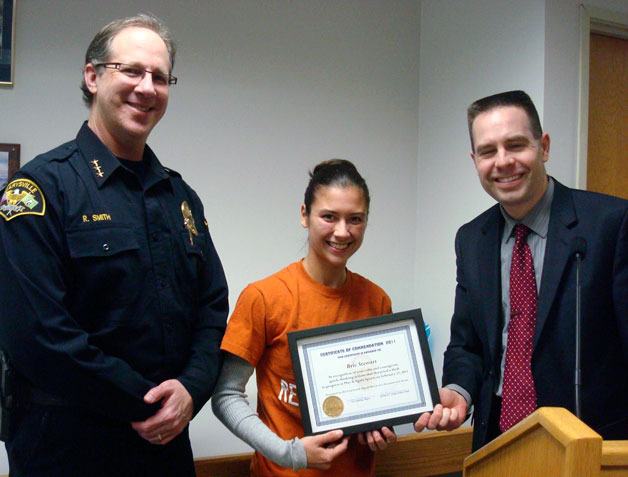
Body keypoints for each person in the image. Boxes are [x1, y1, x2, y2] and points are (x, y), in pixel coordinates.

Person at [0, 14, 228, 476]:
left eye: (160, 78)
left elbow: (212, 308)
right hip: (67, 448)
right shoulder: (40, 191)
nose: (147, 88)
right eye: (131, 71)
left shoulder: (179, 196)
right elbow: (39, 337)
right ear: (93, 76)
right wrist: (148, 403)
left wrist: (190, 390)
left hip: (165, 447)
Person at [414, 90, 628, 451]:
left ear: (543, 146)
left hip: (587, 444)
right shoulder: (471, 239)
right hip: (497, 439)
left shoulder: (609, 224)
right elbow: (467, 345)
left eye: (515, 145)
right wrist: (457, 390)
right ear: (474, 160)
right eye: (487, 151)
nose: (503, 161)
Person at [212, 159, 396, 476]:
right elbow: (226, 395)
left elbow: (374, 397)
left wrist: (379, 426)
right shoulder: (265, 297)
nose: (342, 231)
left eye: (355, 219)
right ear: (304, 215)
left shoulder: (377, 301)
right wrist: (289, 453)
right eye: (329, 217)